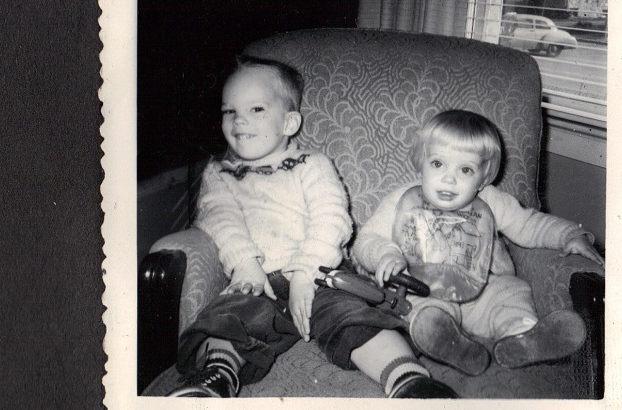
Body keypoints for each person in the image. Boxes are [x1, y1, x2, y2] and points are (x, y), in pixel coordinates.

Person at [167, 56, 457, 398]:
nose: (239, 120)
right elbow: (220, 218)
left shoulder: (312, 164)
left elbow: (332, 217)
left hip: (321, 275)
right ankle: (216, 377)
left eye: (256, 109)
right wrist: (245, 264)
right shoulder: (219, 174)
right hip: (257, 281)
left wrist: (306, 272)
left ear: (289, 122)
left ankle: (409, 380)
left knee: (351, 315)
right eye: (229, 111)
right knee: (228, 316)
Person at [351, 110, 604, 376]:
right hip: (426, 289)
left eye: (465, 169)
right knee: (424, 311)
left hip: (484, 290)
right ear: (420, 162)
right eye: (437, 164)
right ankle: (446, 341)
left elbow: (529, 224)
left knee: (511, 292)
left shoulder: (491, 201)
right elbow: (367, 239)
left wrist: (569, 235)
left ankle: (523, 336)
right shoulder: (401, 201)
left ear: (483, 178)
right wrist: (386, 254)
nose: (449, 178)